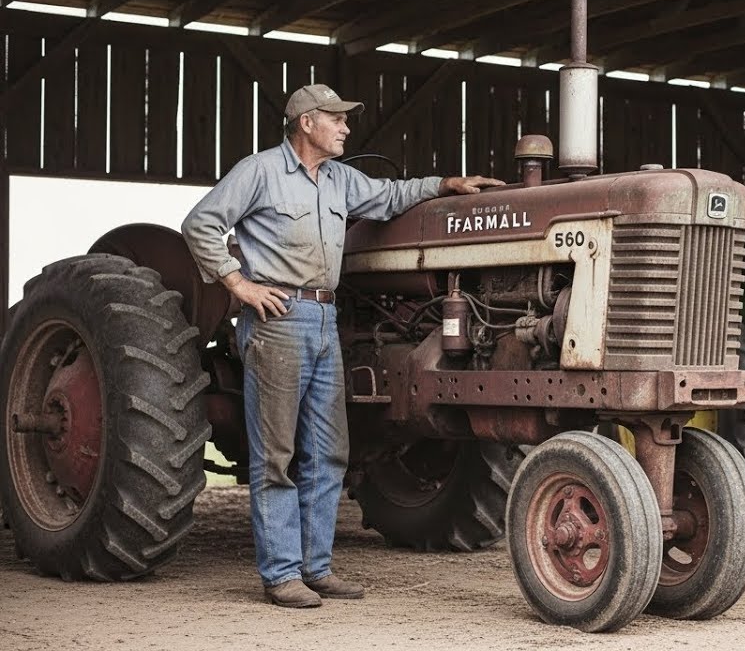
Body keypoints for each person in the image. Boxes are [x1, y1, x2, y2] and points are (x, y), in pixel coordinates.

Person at [182, 84, 504, 608]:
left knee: (329, 451)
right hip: (278, 320)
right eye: (337, 119)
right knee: (277, 455)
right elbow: (200, 224)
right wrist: (237, 284)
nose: (346, 128)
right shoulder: (259, 171)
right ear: (307, 123)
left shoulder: (340, 179)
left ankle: (317, 567)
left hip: (326, 318)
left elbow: (391, 195)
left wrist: (445, 183)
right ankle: (282, 574)